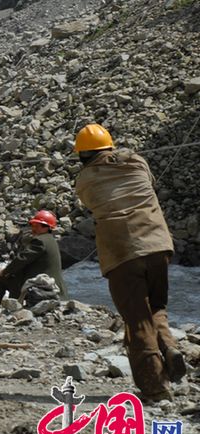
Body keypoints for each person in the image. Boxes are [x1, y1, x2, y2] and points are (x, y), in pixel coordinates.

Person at [74, 123, 186, 402]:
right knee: (156, 306)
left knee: (137, 320)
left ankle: (154, 386)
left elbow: (90, 202)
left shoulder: (85, 179)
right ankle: (169, 346)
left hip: (122, 253)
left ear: (82, 155)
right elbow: (147, 180)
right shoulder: (136, 162)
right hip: (158, 245)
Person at [0, 210, 68, 316]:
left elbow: (22, 259)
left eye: (36, 225)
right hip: (53, 285)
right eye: (33, 225)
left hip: (40, 286)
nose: (33, 228)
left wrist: (5, 271)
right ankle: (13, 308)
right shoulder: (50, 240)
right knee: (15, 276)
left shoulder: (39, 241)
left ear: (46, 227)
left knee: (1, 278)